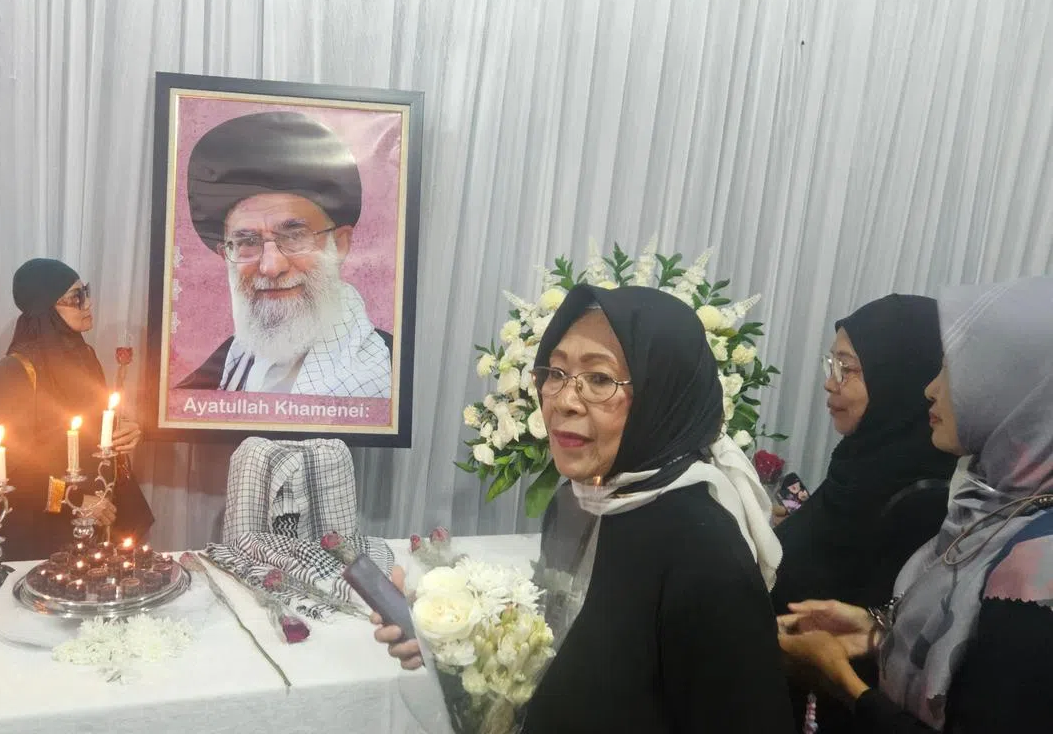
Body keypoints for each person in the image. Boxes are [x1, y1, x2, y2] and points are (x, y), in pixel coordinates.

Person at [374, 284, 795, 732]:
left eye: (599, 379)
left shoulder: (704, 552)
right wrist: (452, 641)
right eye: (554, 373)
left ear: (664, 392)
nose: (563, 400)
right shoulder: (578, 503)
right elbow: (557, 648)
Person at [778, 276, 1053, 732]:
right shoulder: (992, 506)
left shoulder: (1037, 568)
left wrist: (841, 679)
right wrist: (875, 633)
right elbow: (964, 656)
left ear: (1015, 389)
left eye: (953, 370)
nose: (931, 388)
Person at [770, 296, 959, 731]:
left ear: (899, 376)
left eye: (847, 368)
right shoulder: (859, 464)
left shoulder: (923, 496)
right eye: (830, 364)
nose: (830, 383)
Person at [177, 110, 392, 397]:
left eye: (294, 236)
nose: (271, 266)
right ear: (226, 253)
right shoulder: (227, 363)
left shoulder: (386, 370)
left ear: (339, 244)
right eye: (248, 241)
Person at [0, 258, 154, 560]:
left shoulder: (85, 356)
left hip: (100, 521)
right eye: (75, 297)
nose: (88, 303)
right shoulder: (15, 371)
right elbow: (5, 466)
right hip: (43, 534)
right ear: (45, 307)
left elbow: (94, 431)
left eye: (86, 292)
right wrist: (76, 498)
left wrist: (126, 433)